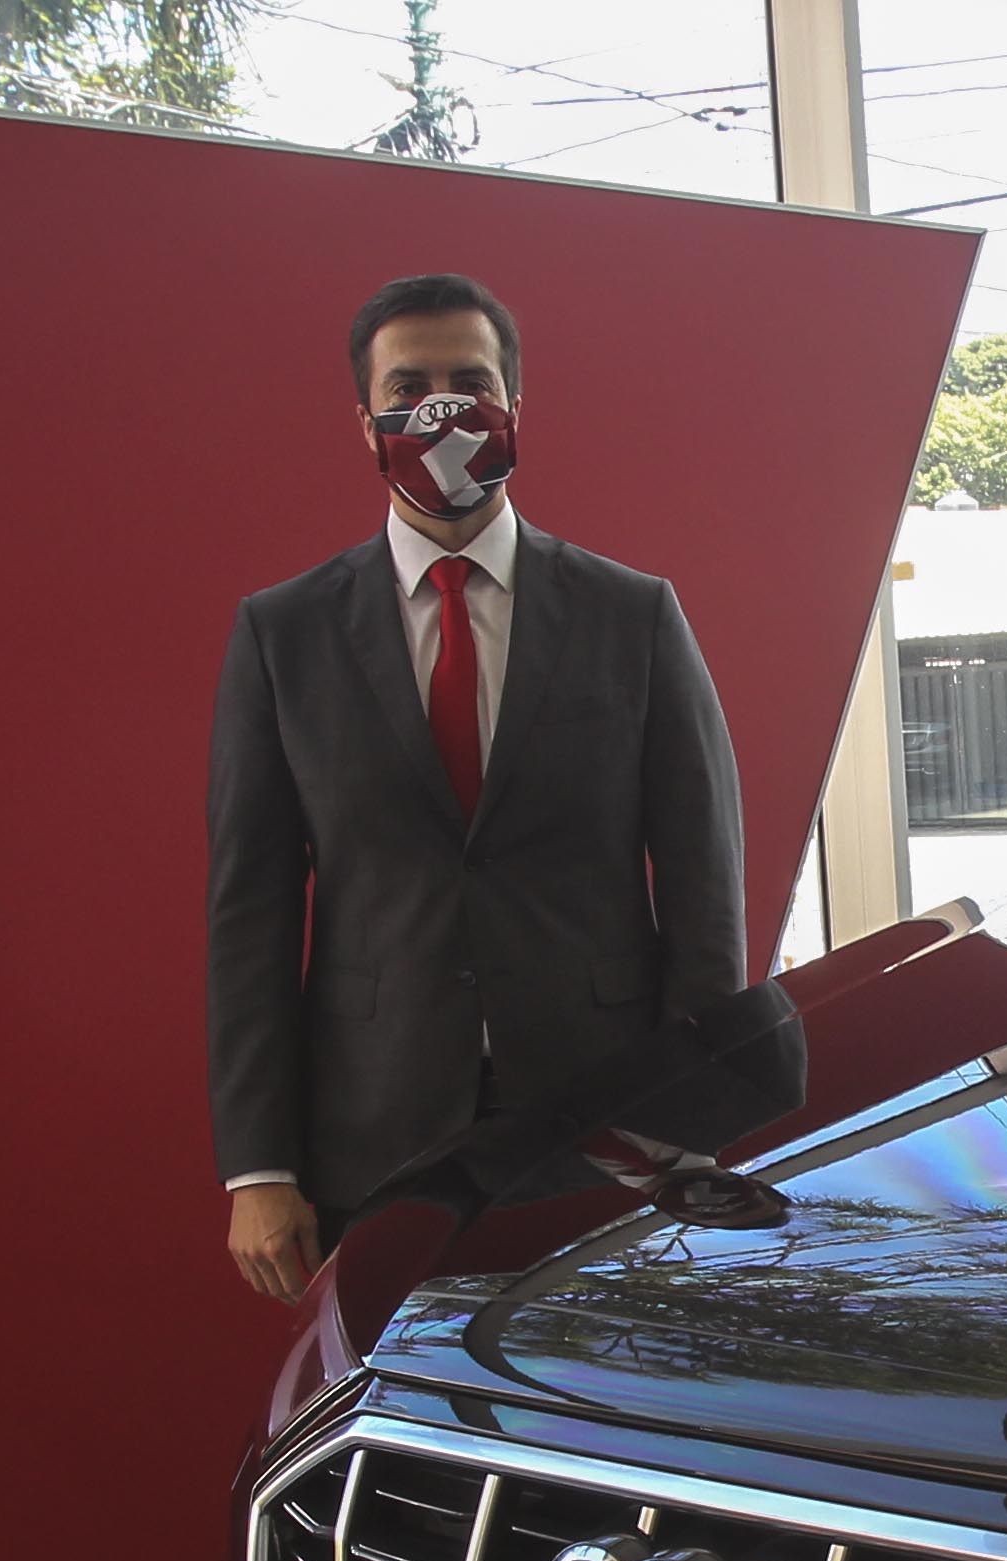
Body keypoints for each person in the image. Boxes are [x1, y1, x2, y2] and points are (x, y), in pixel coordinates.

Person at [208, 272, 749, 1301]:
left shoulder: (631, 614)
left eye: (470, 383)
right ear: (365, 422)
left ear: (514, 407)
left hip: (606, 1124)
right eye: (408, 389)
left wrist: (692, 1123)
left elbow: (702, 884)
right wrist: (259, 1166)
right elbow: (251, 913)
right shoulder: (284, 635)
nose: (440, 410)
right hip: (371, 1133)